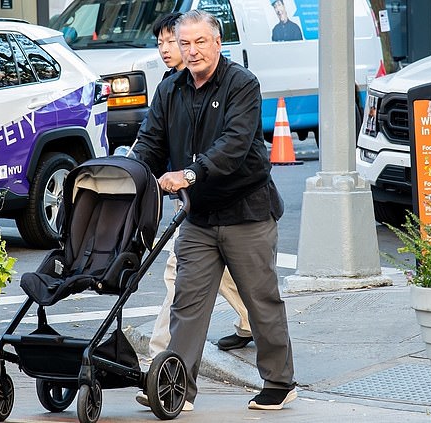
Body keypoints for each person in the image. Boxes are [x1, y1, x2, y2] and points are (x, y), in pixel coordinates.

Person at [133, 9, 296, 411]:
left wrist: (188, 174)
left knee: (261, 301)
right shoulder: (170, 89)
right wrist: (131, 173)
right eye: (183, 43)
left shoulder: (243, 84)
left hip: (247, 212)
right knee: (187, 303)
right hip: (199, 217)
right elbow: (151, 142)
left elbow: (234, 147)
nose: (191, 51)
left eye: (200, 42)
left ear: (218, 43)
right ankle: (177, 386)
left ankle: (280, 381)